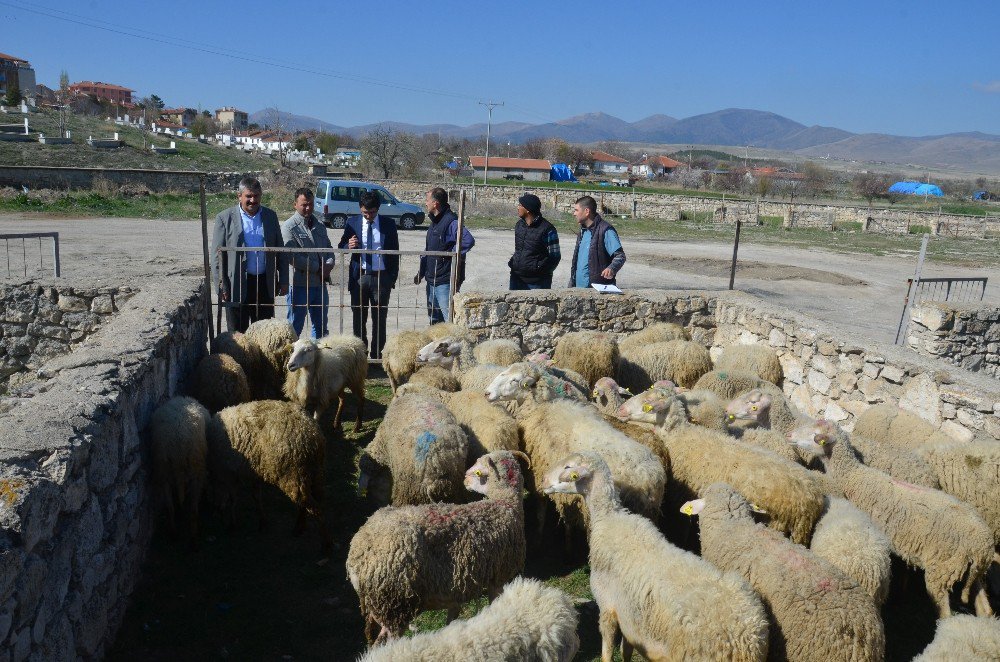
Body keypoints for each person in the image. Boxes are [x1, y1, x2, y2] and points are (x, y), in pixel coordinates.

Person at [211, 176, 288, 333]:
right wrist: (222, 285)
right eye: (248, 196)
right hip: (236, 284)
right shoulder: (224, 218)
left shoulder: (270, 216)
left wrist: (284, 280)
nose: (253, 200)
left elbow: (280, 251)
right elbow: (217, 256)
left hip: (264, 283)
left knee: (264, 333)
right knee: (238, 334)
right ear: (239, 196)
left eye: (256, 196)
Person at [338, 190, 399, 360]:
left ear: (378, 209)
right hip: (359, 277)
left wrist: (391, 278)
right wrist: (347, 246)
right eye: (365, 212)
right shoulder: (352, 223)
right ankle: (361, 356)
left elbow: (395, 252)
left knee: (379, 320)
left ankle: (377, 356)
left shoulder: (389, 224)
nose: (368, 216)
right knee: (359, 318)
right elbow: (341, 245)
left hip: (381, 278)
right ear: (360, 209)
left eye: (372, 213)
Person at [414, 187, 475, 323]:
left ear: (435, 203)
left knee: (449, 321)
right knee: (434, 321)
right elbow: (428, 250)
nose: (425, 203)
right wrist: (421, 272)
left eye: (427, 200)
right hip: (431, 280)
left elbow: (468, 241)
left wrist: (449, 254)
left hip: (445, 281)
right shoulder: (435, 222)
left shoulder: (451, 222)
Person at [282, 187, 334, 338]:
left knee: (321, 328)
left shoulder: (319, 225)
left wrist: (329, 264)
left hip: (319, 285)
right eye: (304, 204)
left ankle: (316, 360)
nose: (308, 208)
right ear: (295, 204)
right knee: (294, 329)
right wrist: (318, 267)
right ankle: (291, 360)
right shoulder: (289, 227)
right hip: (299, 286)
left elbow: (329, 248)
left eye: (310, 204)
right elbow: (291, 256)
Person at [569, 195, 626, 288]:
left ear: (586, 211)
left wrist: (611, 268)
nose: (574, 213)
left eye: (576, 210)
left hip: (597, 291)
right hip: (578, 289)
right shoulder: (582, 231)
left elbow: (620, 256)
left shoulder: (605, 230)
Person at [508, 193, 560, 290]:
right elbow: (520, 250)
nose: (517, 207)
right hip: (516, 278)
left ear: (528, 209)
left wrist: (540, 271)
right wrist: (514, 262)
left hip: (537, 282)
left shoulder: (548, 229)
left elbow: (555, 257)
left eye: (520, 205)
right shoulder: (519, 225)